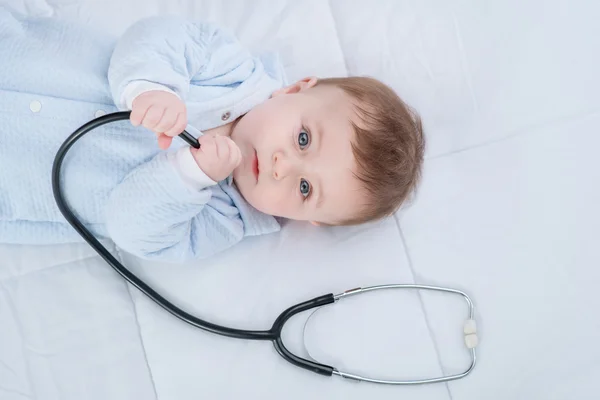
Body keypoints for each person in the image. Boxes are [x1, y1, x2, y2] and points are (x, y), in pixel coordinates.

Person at [0, 7, 425, 262]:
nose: (282, 166)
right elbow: (154, 37)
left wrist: (188, 176)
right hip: (26, 56)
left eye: (304, 187)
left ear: (307, 220)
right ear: (296, 89)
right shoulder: (227, 68)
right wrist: (150, 86)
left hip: (17, 174)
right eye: (302, 140)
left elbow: (131, 231)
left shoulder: (222, 221)